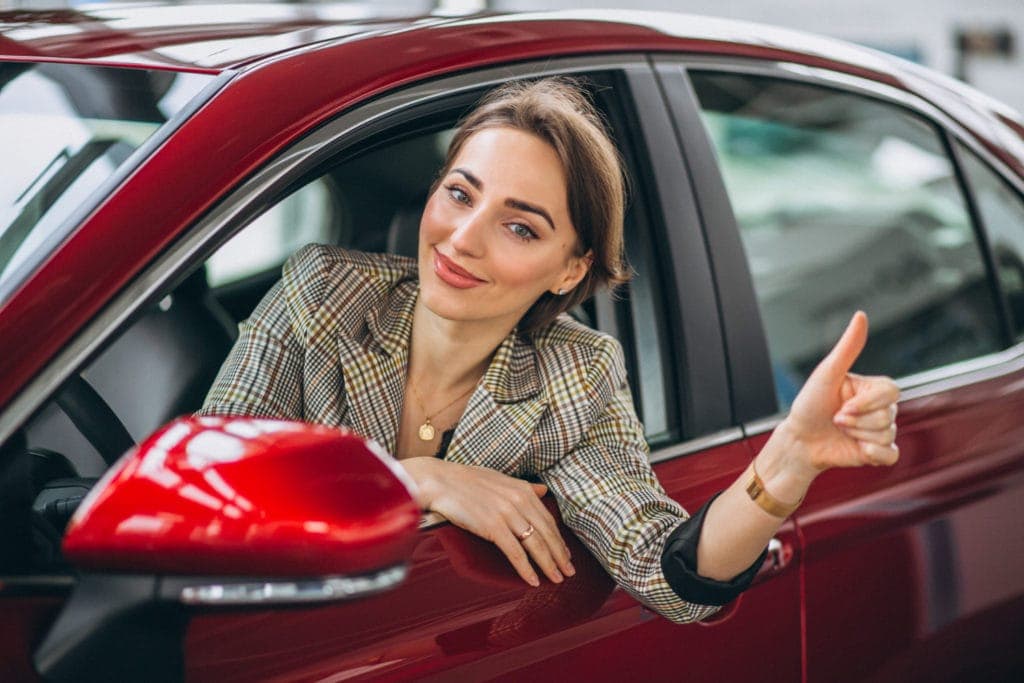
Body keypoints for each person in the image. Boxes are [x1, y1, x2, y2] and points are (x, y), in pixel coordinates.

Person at [200, 77, 900, 623]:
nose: (463, 237)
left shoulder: (576, 377)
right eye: (459, 193)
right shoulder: (323, 290)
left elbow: (671, 576)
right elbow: (209, 484)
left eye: (521, 228)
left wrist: (788, 460)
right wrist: (418, 479)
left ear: (570, 269)